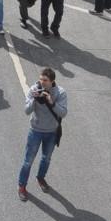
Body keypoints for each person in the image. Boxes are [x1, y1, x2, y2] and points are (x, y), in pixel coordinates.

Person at [17, 67, 68, 202]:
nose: (42, 82)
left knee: (46, 158)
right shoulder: (34, 89)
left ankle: (40, 178)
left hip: (51, 132)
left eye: (45, 80)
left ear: (52, 81)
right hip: (35, 131)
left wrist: (52, 102)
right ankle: (22, 186)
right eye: (40, 79)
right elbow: (26, 111)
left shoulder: (60, 93)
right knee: (28, 161)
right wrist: (34, 99)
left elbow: (63, 113)